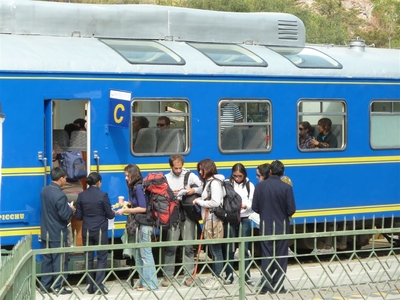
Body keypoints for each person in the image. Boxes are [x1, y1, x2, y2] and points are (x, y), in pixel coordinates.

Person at [252, 160, 296, 294]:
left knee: (267, 255)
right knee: (281, 256)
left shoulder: (260, 187)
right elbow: (291, 209)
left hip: (266, 226)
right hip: (281, 227)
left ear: (270, 171)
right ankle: (278, 285)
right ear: (283, 173)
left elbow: (255, 207)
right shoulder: (286, 188)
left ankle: (266, 284)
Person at [161, 155, 203, 287]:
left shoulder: (189, 175)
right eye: (176, 168)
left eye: (180, 168)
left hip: (187, 213)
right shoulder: (166, 178)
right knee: (171, 246)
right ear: (171, 166)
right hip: (173, 213)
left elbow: (203, 187)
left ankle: (188, 276)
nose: (178, 170)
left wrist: (193, 190)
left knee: (188, 246)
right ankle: (168, 276)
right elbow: (161, 193)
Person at [115, 164, 158, 291]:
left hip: (144, 224)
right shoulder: (136, 187)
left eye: (127, 176)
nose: (126, 178)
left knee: (146, 254)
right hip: (140, 224)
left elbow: (143, 208)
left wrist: (126, 211)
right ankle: (144, 282)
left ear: (133, 175)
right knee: (140, 255)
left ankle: (151, 284)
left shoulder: (139, 187)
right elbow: (138, 203)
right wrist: (127, 204)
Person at [74, 172, 115, 295]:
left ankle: (89, 287)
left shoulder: (81, 196)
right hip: (100, 230)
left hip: (87, 230)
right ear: (98, 182)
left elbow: (79, 216)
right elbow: (109, 214)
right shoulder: (103, 195)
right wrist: (113, 212)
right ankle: (99, 286)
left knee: (89, 257)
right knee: (102, 257)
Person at [40, 167, 75, 295]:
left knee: (47, 260)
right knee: (60, 260)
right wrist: (71, 209)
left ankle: (45, 285)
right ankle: (58, 286)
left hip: (46, 232)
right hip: (57, 233)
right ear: (61, 178)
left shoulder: (44, 191)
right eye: (65, 178)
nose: (66, 180)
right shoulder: (60, 195)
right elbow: (64, 216)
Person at [193, 158, 225, 290]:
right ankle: (216, 275)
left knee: (216, 250)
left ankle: (218, 277)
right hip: (209, 220)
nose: (200, 172)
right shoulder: (209, 182)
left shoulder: (214, 183)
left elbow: (216, 202)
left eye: (202, 169)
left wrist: (199, 202)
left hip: (214, 220)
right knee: (213, 250)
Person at [223, 163, 255, 286]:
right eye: (235, 176)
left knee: (244, 249)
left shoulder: (249, 185)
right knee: (230, 248)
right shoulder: (227, 184)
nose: (237, 178)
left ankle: (246, 276)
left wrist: (246, 205)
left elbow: (252, 200)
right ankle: (229, 276)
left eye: (239, 176)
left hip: (244, 218)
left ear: (244, 175)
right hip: (231, 218)